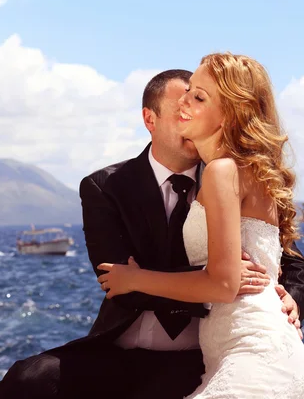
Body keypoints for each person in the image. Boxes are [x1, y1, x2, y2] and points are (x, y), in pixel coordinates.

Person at [0, 67, 304, 399]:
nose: (186, 112)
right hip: (121, 347)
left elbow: (287, 261)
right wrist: (220, 277)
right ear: (150, 119)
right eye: (179, 108)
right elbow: (118, 282)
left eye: (196, 102)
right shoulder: (104, 187)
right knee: (26, 379)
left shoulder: (230, 175)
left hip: (200, 355)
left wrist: (289, 299)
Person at [97, 54, 304, 398]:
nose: (184, 102)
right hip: (237, 347)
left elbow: (223, 285)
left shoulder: (223, 171)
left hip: (249, 347)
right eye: (189, 91)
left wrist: (133, 278)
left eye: (198, 97)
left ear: (230, 113)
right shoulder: (242, 171)